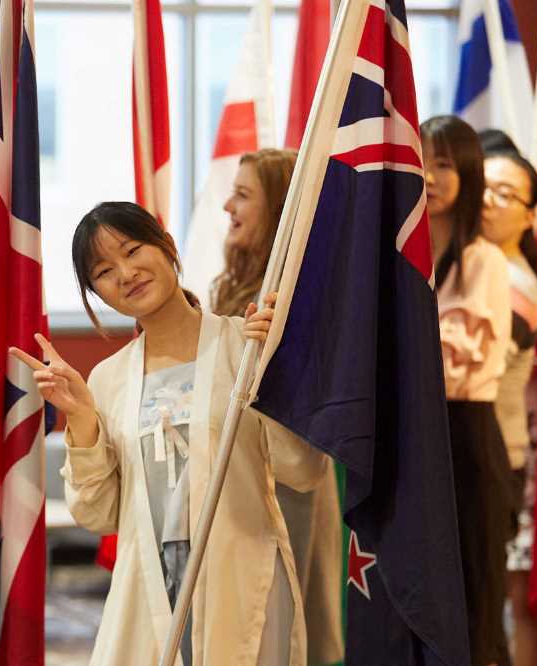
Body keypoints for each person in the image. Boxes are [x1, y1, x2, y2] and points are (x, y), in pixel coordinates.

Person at [11, 201, 330, 665]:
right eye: (104, 271)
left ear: (167, 246)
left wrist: (275, 373)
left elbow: (303, 470)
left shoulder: (242, 345)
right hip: (147, 590)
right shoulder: (108, 379)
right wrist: (80, 418)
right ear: (97, 294)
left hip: (240, 577)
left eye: (132, 250)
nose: (126, 274)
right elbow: (98, 514)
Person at [212, 148, 344, 666]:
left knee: (286, 621)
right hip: (235, 477)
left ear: (280, 210)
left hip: (287, 480)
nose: (228, 206)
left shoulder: (304, 296)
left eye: (243, 195)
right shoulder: (232, 288)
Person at [421, 115, 513, 666]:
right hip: (418, 434)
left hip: (466, 436)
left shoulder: (484, 260)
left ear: (469, 174)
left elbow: (449, 365)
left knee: (475, 596)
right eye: (422, 162)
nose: (429, 176)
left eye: (444, 164)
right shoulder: (403, 257)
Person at [480, 150, 537, 666]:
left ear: (530, 216)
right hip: (492, 456)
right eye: (483, 186)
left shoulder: (515, 282)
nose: (488, 200)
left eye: (505, 194)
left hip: (503, 460)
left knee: (514, 599)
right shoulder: (475, 264)